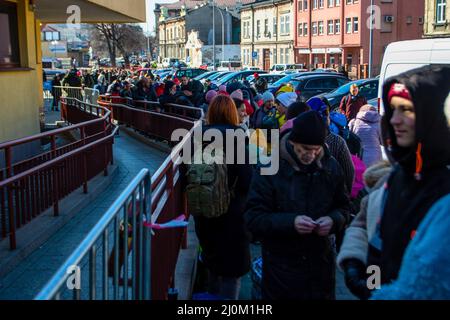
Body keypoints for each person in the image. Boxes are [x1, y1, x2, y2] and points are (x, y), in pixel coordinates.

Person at [345, 65, 450, 295]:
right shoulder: (396, 176)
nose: (394, 120)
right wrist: (354, 264)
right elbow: (366, 226)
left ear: (432, 117)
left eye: (406, 110)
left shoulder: (443, 190)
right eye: (393, 109)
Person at [245, 110, 351, 300]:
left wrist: (333, 220)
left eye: (315, 149)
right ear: (292, 142)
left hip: (321, 270)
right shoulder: (270, 168)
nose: (310, 155)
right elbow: (253, 217)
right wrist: (290, 223)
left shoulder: (331, 167)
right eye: (304, 148)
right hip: (282, 272)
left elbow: (344, 207)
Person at [193, 95, 253, 300]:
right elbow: (246, 180)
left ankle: (212, 296)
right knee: (232, 272)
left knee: (212, 263)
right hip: (232, 213)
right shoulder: (238, 139)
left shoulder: (197, 138)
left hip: (204, 211)